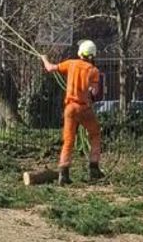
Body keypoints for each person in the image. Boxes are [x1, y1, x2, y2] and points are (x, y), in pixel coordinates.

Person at [41, 39, 103, 185]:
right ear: (92, 55)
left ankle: (63, 173)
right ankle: (94, 168)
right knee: (95, 134)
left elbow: (50, 68)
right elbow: (94, 91)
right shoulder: (93, 70)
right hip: (84, 108)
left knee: (68, 140)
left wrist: (44, 58)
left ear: (80, 52)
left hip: (70, 108)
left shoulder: (71, 64)